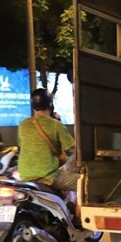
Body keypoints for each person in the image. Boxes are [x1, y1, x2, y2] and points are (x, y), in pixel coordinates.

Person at [18, 88, 81, 222]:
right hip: (48, 175)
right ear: (50, 105)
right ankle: (78, 218)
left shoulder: (23, 125)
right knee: (83, 183)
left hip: (25, 175)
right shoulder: (55, 125)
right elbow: (75, 149)